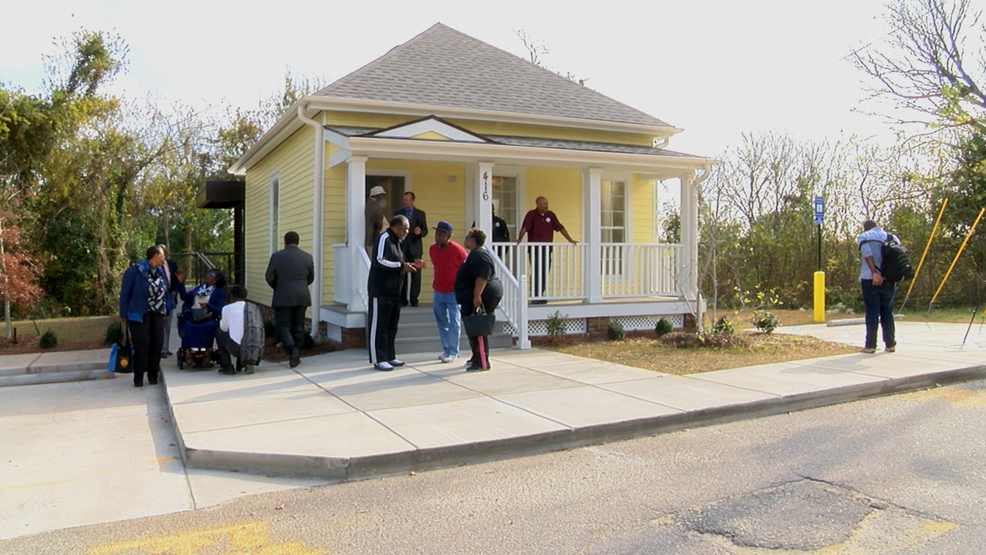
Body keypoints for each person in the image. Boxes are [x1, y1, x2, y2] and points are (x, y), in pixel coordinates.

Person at [367, 215, 421, 371]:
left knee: (392, 326)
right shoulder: (384, 238)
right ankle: (379, 359)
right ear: (395, 227)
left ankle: (390, 356)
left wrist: (411, 264)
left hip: (394, 291)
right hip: (381, 290)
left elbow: (399, 263)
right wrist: (401, 266)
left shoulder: (398, 242)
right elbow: (379, 260)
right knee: (379, 326)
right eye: (405, 229)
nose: (407, 232)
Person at [118, 245, 173, 387]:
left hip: (158, 313)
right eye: (162, 255)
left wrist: (168, 306)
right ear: (155, 256)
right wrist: (123, 313)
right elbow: (125, 293)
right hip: (139, 313)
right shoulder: (135, 271)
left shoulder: (160, 271)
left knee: (157, 344)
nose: (164, 258)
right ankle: (139, 376)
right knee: (142, 345)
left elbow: (166, 290)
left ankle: (153, 375)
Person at [265, 231, 315, 368]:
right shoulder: (307, 257)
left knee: (282, 325)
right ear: (297, 241)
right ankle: (297, 352)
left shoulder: (277, 256)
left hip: (283, 296)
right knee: (299, 325)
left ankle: (292, 350)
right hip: (302, 295)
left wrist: (278, 287)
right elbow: (311, 278)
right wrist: (301, 286)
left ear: (285, 242)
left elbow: (269, 276)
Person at [455, 228, 503, 371]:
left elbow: (482, 277)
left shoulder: (479, 255)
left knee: (478, 327)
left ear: (473, 240)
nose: (465, 239)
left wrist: (477, 296)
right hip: (473, 295)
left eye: (467, 236)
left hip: (482, 295)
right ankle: (476, 356)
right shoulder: (474, 255)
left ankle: (482, 362)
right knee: (473, 327)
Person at [515, 196, 577, 303]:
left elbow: (560, 228)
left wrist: (569, 239)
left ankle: (540, 295)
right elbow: (525, 228)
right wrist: (519, 239)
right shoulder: (532, 215)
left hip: (547, 250)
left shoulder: (550, 215)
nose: (546, 206)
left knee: (544, 272)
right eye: (544, 204)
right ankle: (534, 295)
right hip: (535, 250)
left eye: (547, 203)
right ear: (538, 204)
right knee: (536, 272)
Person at [429, 221, 468, 363]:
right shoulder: (432, 249)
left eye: (441, 235)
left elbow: (466, 269)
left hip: (453, 292)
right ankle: (446, 349)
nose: (438, 237)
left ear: (449, 236)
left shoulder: (458, 250)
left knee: (454, 321)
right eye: (437, 234)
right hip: (438, 291)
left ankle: (453, 352)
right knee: (441, 320)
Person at [857, 220, 897, 354]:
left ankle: (870, 345)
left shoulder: (865, 236)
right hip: (890, 279)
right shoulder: (892, 237)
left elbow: (867, 254)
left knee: (872, 312)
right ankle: (890, 344)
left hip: (870, 278)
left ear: (865, 228)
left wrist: (875, 273)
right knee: (887, 312)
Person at [177, 269, 226, 362]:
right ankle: (187, 353)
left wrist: (208, 305)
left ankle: (207, 353)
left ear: (214, 281)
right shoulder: (198, 289)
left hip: (208, 316)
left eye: (211, 275)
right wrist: (181, 283)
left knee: (209, 326)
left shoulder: (219, 293)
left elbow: (220, 309)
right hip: (193, 315)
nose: (207, 275)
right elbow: (184, 297)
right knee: (186, 326)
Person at [395, 191, 428, 306]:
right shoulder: (398, 214)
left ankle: (414, 299)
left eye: (407, 199)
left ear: (412, 200)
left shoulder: (420, 214)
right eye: (403, 199)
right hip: (402, 247)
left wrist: (420, 232)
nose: (405, 201)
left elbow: (425, 230)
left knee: (416, 275)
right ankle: (403, 299)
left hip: (415, 248)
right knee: (403, 273)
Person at [217, 285, 253, 375]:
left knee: (219, 333)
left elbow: (223, 328)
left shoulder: (227, 309)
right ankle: (245, 362)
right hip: (253, 347)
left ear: (232, 296)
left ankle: (227, 366)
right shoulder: (253, 308)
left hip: (236, 348)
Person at [158, 245, 182, 358]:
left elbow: (179, 279)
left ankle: (165, 348)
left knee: (167, 324)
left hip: (170, 299)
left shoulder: (172, 265)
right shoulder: (153, 266)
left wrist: (175, 291)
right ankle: (160, 348)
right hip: (158, 299)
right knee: (159, 324)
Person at [365, 185, 388, 253]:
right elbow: (379, 223)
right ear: (377, 195)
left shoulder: (368, 203)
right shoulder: (375, 206)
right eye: (381, 195)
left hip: (368, 238)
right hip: (373, 238)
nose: (382, 197)